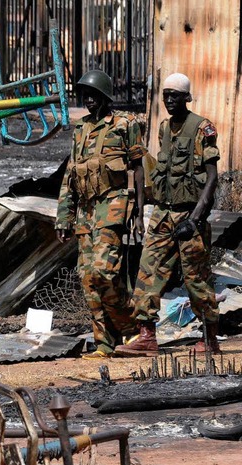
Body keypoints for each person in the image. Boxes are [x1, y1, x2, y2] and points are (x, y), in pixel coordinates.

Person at [116, 73, 221, 356]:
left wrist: (195, 219)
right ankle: (147, 336)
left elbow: (211, 179)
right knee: (148, 272)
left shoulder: (201, 128)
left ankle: (210, 338)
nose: (170, 100)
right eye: (166, 95)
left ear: (187, 98)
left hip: (189, 216)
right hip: (163, 215)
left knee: (196, 278)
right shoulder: (163, 128)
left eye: (176, 95)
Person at [55, 70, 146, 359]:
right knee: (87, 278)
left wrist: (140, 211)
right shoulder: (80, 129)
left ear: (105, 96)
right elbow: (71, 175)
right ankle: (104, 342)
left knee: (104, 271)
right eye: (86, 96)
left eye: (94, 95)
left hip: (114, 205)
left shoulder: (125, 124)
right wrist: (63, 216)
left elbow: (139, 167)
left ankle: (130, 327)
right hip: (86, 210)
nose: (89, 100)